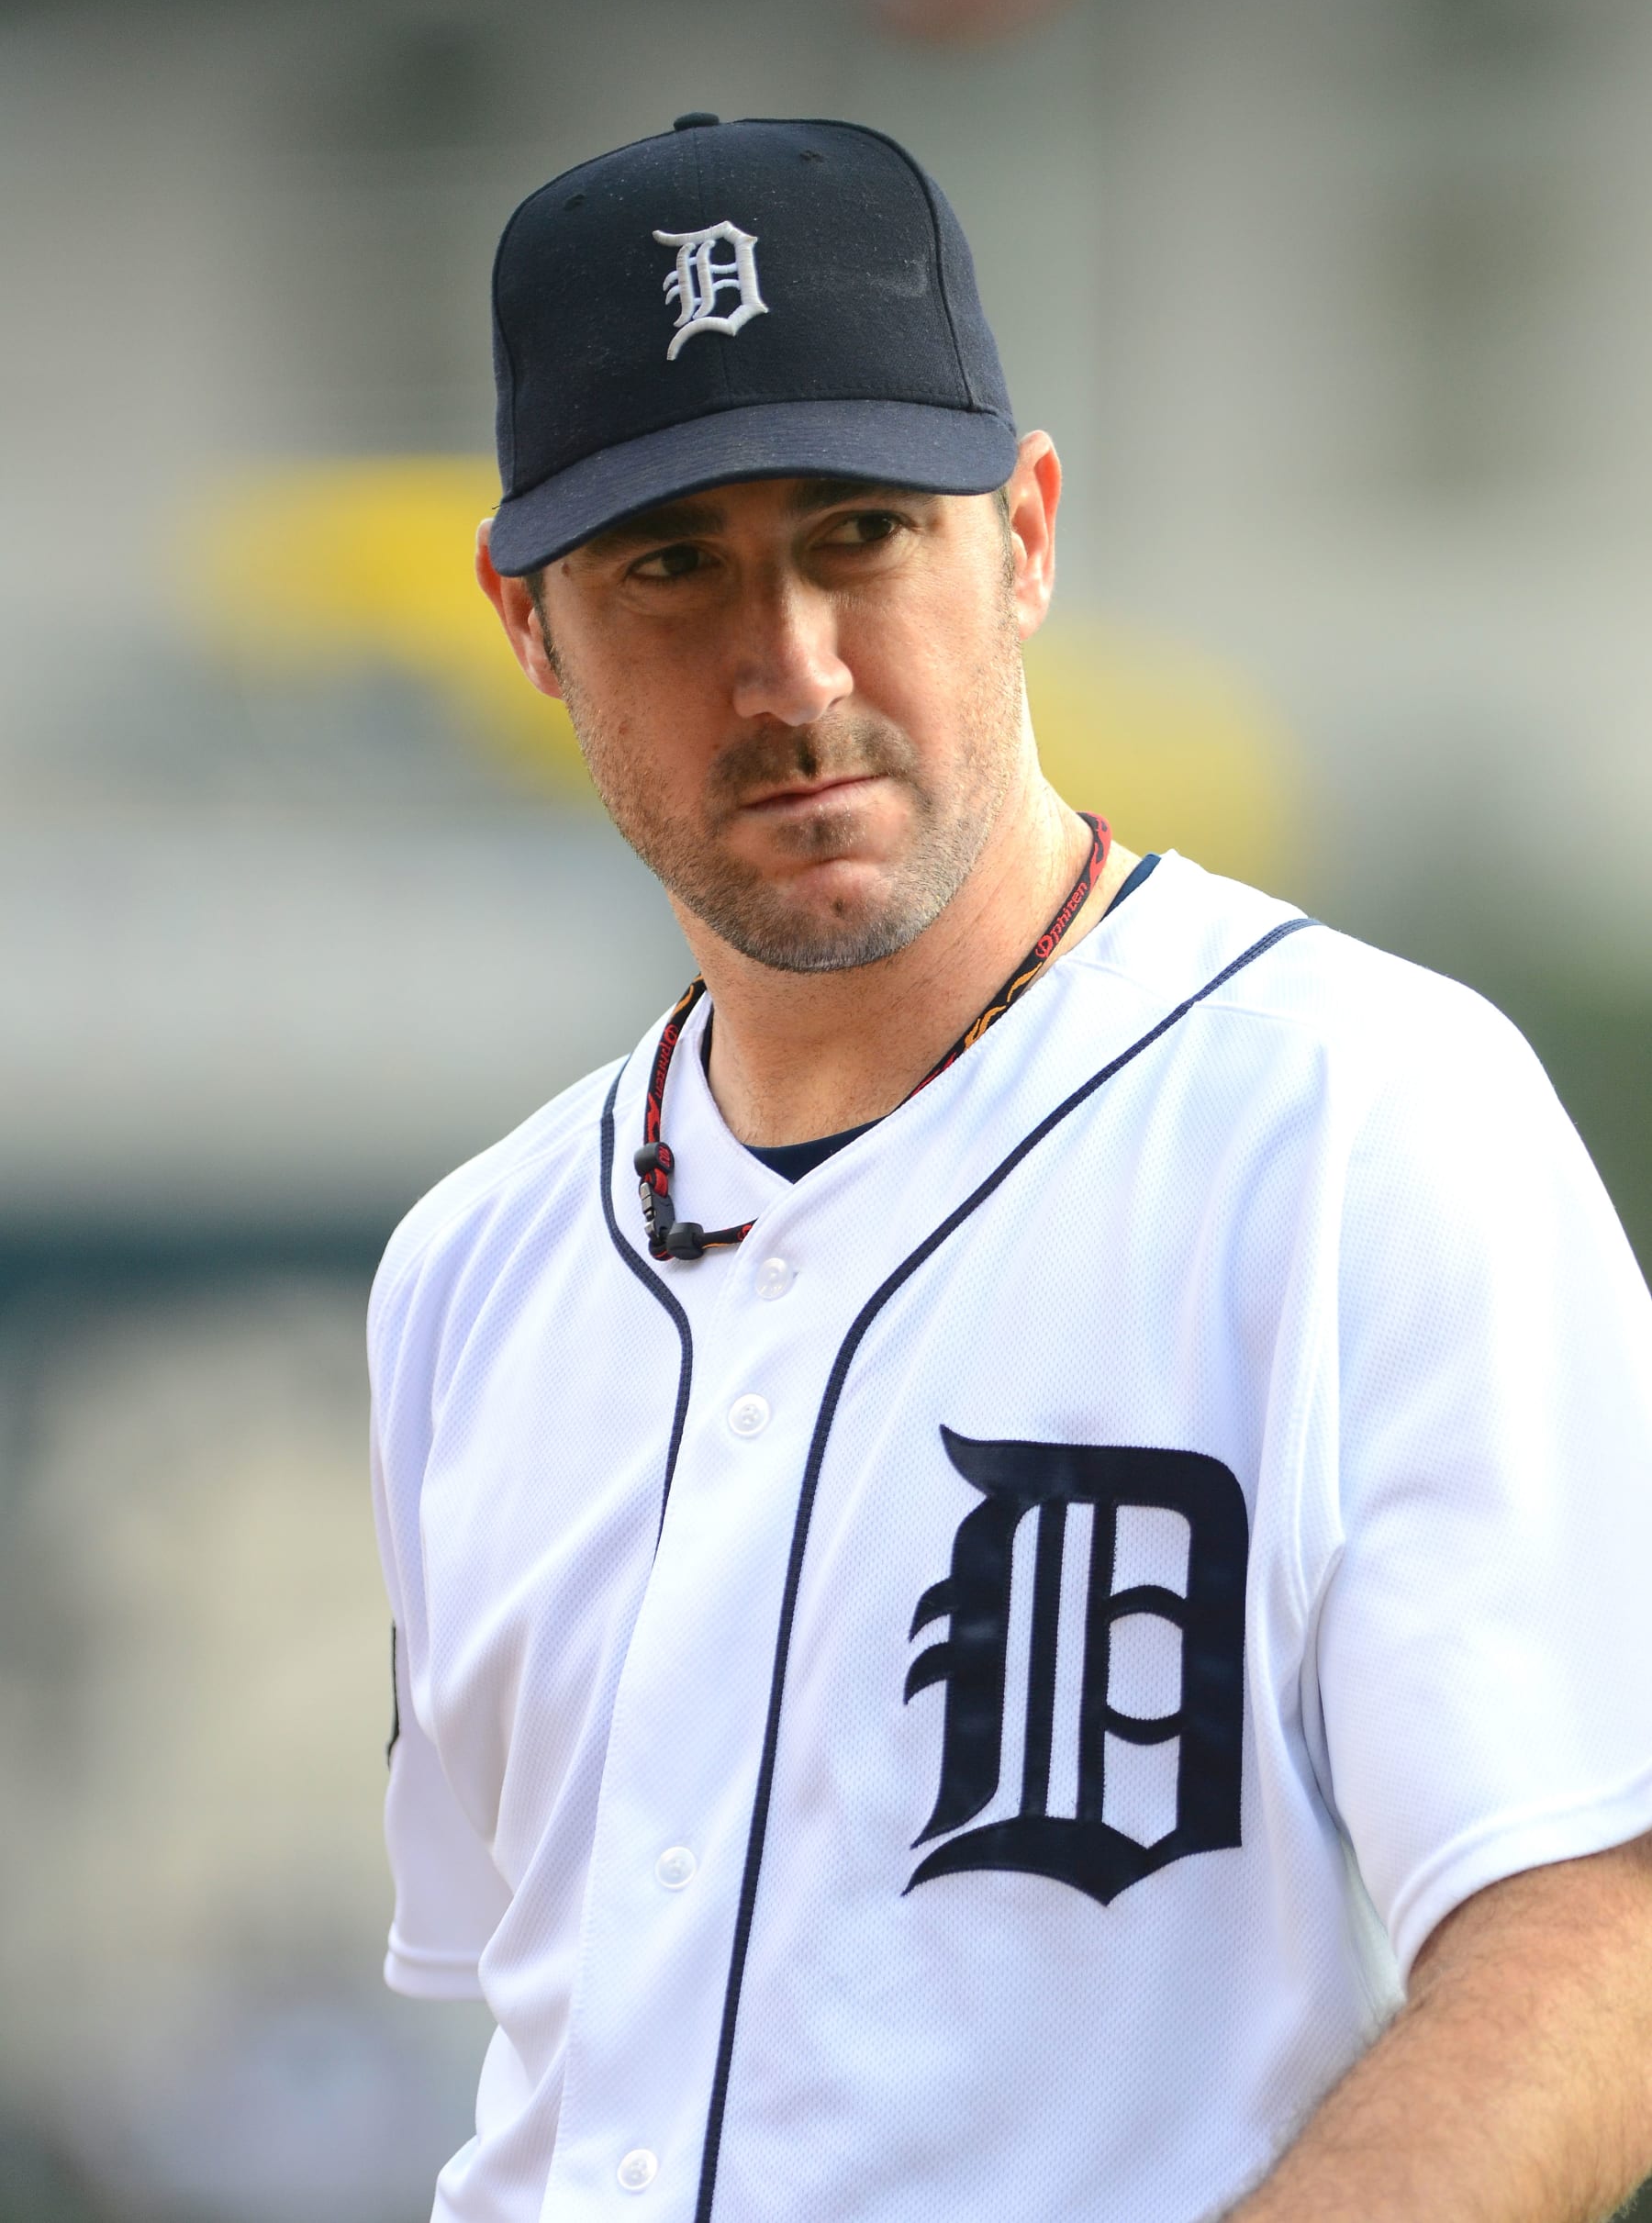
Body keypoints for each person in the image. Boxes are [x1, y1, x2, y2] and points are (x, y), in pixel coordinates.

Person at [369, 114, 1652, 2223]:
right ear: (529, 626)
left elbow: (1593, 1926)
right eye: (671, 564)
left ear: (1026, 536)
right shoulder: (472, 1270)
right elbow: (563, 2036)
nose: (790, 669)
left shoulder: (1358, 1115)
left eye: (860, 531)